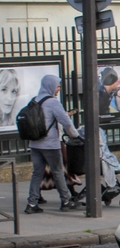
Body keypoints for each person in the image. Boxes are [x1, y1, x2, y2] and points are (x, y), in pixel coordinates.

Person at [25, 75, 81, 214]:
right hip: (50, 145)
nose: (58, 89)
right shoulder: (53, 102)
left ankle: (31, 204)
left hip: (35, 144)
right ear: (51, 86)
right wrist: (75, 135)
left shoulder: (34, 100)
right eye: (57, 86)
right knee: (58, 172)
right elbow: (65, 121)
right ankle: (66, 201)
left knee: (37, 173)